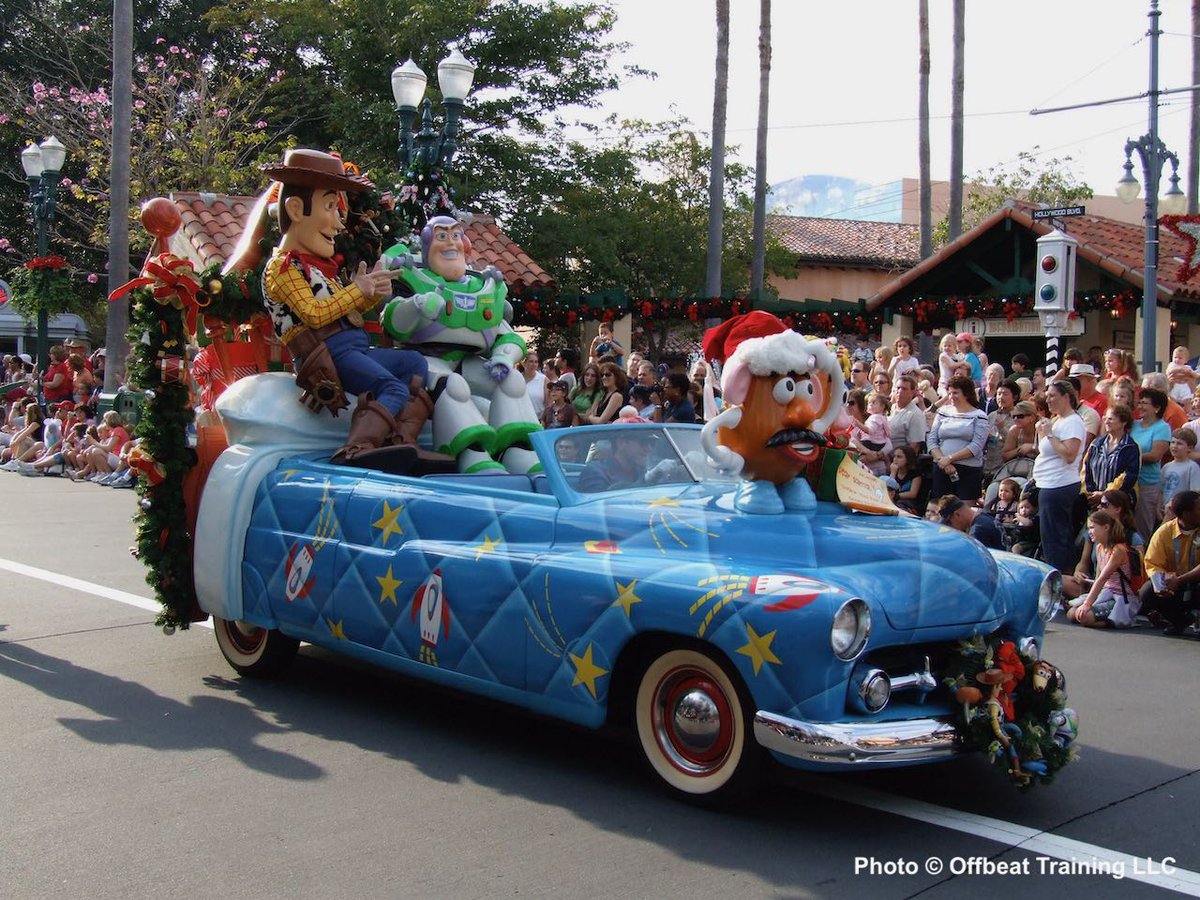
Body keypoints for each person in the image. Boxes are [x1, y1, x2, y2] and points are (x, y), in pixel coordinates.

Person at [260, 148, 431, 465]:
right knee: (393, 388)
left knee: (413, 364)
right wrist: (357, 290)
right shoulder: (282, 268)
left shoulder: (318, 267)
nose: (339, 224)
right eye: (330, 207)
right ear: (296, 209)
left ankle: (402, 441)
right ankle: (357, 449)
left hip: (352, 348)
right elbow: (314, 314)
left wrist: (372, 293)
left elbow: (346, 311)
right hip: (325, 354)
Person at [1031, 380, 1086, 574]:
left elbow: (1069, 455)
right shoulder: (1057, 420)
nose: (1048, 400)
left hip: (1060, 485)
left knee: (1057, 538)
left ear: (1066, 397)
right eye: (1047, 396)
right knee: (1050, 537)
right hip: (1047, 483)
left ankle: (1064, 578)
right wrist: (1042, 432)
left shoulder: (1073, 422)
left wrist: (1050, 435)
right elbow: (1045, 450)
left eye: (1053, 396)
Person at [1140, 490, 1200, 635]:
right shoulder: (1164, 533)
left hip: (1194, 582)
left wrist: (1179, 580)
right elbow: (1153, 564)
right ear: (1186, 514)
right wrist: (1161, 583)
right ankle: (1180, 621)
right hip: (1175, 585)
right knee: (1147, 592)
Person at [1067, 509, 1138, 628]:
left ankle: (1115, 621)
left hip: (1120, 597)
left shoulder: (1118, 550)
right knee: (1072, 614)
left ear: (1106, 527)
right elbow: (1098, 577)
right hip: (1105, 593)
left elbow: (1103, 578)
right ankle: (1100, 616)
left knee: (1084, 617)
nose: (1089, 532)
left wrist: (1087, 604)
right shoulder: (1099, 548)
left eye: (1092, 528)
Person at [927, 374, 990, 501]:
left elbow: (976, 446)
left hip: (968, 470)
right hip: (942, 467)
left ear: (966, 394)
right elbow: (932, 440)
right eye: (950, 393)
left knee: (964, 508)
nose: (951, 396)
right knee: (941, 507)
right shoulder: (942, 412)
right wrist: (943, 462)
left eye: (955, 393)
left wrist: (950, 458)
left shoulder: (980, 416)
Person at [1131, 387, 1172, 540]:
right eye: (1140, 402)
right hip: (1129, 481)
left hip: (1146, 484)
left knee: (1141, 527)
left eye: (1145, 403)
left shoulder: (1162, 428)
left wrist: (1130, 457)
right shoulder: (1134, 425)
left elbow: (1155, 455)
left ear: (1157, 408)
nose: (1140, 406)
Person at [1081, 403, 1140, 506]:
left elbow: (1129, 476)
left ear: (1123, 422)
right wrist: (1091, 493)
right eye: (1105, 418)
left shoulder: (1130, 447)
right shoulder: (1096, 445)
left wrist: (1105, 494)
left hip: (1117, 502)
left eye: (1111, 419)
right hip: (1094, 500)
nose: (1106, 422)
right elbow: (1086, 469)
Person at [577, 431, 653, 492]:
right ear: (621, 443)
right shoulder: (595, 472)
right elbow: (598, 503)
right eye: (643, 442)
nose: (649, 448)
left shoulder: (642, 471)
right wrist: (645, 481)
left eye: (652, 443)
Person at [940, 496, 1005, 550]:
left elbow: (982, 560)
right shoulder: (985, 517)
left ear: (957, 514)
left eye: (950, 523)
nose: (952, 527)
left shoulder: (977, 532)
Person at [1160, 428, 1200, 514]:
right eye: (1173, 442)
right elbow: (1160, 490)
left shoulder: (1192, 467)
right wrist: (1157, 509)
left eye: (1179, 443)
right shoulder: (1166, 467)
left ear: (1190, 448)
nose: (1174, 446)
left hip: (1181, 512)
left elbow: (1194, 492)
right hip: (1165, 510)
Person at [853, 391, 892, 476]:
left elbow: (888, 444)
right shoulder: (847, 424)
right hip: (861, 471)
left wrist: (876, 455)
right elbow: (851, 441)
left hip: (878, 469)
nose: (848, 406)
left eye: (852, 403)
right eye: (869, 403)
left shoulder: (875, 419)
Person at [888, 373, 927, 452]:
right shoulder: (888, 409)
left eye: (904, 389)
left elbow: (914, 445)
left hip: (898, 457)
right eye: (898, 388)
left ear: (913, 392)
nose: (900, 391)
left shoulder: (915, 414)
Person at [889, 445, 923, 513]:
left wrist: (896, 496)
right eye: (894, 456)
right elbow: (889, 489)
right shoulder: (893, 472)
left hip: (908, 503)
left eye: (899, 457)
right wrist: (893, 473)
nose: (895, 459)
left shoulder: (915, 474)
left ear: (908, 459)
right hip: (894, 500)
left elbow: (913, 494)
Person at [522, 352, 546, 419]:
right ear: (524, 363)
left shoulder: (544, 379)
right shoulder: (517, 378)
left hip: (538, 419)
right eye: (531, 361)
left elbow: (548, 403)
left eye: (536, 362)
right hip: (520, 418)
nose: (534, 364)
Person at [936, 332, 959, 396]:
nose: (947, 348)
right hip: (944, 382)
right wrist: (962, 363)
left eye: (949, 346)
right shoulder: (943, 356)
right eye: (945, 346)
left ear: (954, 346)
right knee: (946, 396)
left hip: (952, 382)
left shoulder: (955, 356)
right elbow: (951, 366)